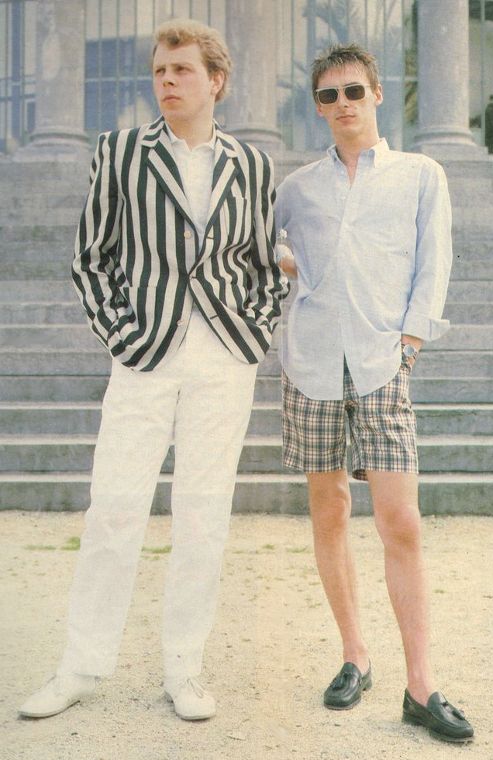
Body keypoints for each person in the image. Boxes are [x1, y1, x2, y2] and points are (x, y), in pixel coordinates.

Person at [19, 18, 286, 722]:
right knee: (113, 509)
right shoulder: (120, 152)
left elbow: (265, 264)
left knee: (203, 516)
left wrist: (255, 333)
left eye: (181, 71)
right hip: (144, 355)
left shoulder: (252, 165)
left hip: (224, 356)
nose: (166, 81)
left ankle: (184, 670)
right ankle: (81, 664)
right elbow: (91, 257)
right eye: (160, 71)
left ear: (216, 81)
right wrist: (123, 333)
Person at [275, 43, 474, 744]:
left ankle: (421, 684)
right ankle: (355, 654)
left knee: (401, 520)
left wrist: (411, 342)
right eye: (327, 96)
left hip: (383, 364)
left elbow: (434, 260)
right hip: (313, 367)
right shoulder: (296, 188)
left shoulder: (421, 174)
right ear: (318, 105)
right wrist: (280, 259)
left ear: (377, 94)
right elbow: (261, 248)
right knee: (328, 508)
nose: (341, 105)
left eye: (353, 91)